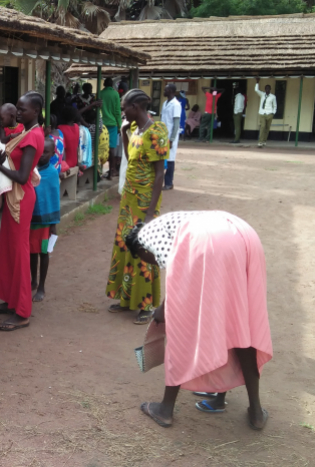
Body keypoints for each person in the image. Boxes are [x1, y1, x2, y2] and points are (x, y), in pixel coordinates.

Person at [125, 211, 272, 430]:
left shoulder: (147, 235)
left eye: (143, 260)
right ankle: (256, 412)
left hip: (212, 243)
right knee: (236, 325)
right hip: (246, 237)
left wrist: (164, 310)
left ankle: (165, 409)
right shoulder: (175, 222)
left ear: (141, 250)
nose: (150, 263)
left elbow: (176, 277)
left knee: (182, 325)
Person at [106, 89, 168, 325]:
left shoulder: (157, 131)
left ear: (136, 107)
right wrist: (123, 132)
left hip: (145, 201)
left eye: (125, 108)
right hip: (129, 199)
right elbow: (130, 157)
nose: (123, 112)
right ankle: (127, 298)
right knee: (125, 245)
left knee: (144, 249)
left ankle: (147, 304)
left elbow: (160, 174)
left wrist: (151, 212)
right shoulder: (133, 128)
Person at [0, 92, 45, 331]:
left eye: (22, 110)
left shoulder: (34, 136)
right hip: (15, 197)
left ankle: (22, 311)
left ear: (36, 112)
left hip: (21, 197)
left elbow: (22, 176)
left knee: (19, 252)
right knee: (9, 248)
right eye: (17, 109)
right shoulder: (25, 132)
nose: (18, 113)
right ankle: (11, 300)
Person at [30, 138, 60, 303]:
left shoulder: (52, 173)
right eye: (40, 151)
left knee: (44, 252)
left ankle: (41, 286)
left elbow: (54, 199)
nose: (42, 155)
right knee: (31, 252)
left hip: (46, 221)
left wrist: (53, 224)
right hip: (31, 219)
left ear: (53, 153)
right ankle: (33, 280)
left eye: (46, 152)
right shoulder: (30, 170)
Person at [99, 78, 122, 180]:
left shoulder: (100, 93)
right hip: (113, 124)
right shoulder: (116, 94)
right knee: (111, 148)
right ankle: (111, 171)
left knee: (101, 147)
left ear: (104, 84)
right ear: (112, 85)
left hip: (102, 124)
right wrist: (120, 125)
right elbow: (117, 111)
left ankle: (100, 170)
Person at [161, 84, 182, 191]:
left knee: (170, 159)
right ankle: (162, 182)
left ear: (170, 91)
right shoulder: (165, 103)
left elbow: (176, 123)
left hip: (170, 136)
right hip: (163, 135)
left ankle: (169, 183)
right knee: (161, 158)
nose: (163, 91)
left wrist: (172, 139)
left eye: (165, 90)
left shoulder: (176, 105)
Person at [255, 78, 277, 148]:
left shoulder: (273, 97)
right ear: (265, 89)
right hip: (262, 113)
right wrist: (257, 82)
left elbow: (275, 105)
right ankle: (260, 142)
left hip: (269, 113)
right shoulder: (262, 94)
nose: (267, 89)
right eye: (266, 88)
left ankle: (264, 141)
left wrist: (273, 113)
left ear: (270, 89)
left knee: (267, 128)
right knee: (263, 127)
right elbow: (256, 90)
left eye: (268, 88)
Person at [58, 106, 81, 170]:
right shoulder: (76, 127)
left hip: (67, 163)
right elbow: (77, 146)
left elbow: (63, 149)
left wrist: (64, 164)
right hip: (75, 161)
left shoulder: (60, 128)